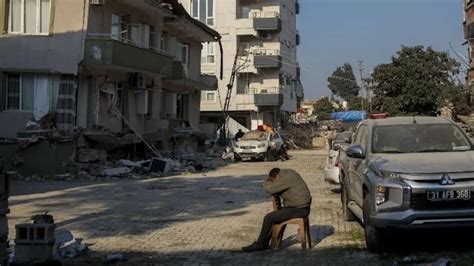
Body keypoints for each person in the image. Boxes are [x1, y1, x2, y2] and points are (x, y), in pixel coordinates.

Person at [242, 168, 312, 252]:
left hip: (299, 209)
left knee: (268, 217)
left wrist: (267, 181)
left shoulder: (286, 177)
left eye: (273, 180)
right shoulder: (288, 174)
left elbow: (269, 189)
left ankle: (260, 244)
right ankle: (264, 243)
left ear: (275, 177)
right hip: (298, 207)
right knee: (274, 217)